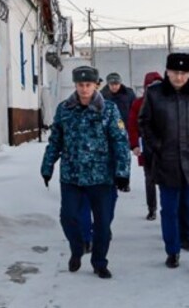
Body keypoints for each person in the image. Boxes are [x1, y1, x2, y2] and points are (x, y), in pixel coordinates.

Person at [41, 66, 131, 279]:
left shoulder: (108, 109)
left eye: (88, 85)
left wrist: (122, 172)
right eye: (80, 85)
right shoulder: (65, 109)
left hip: (101, 176)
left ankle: (100, 262)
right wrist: (47, 166)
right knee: (68, 216)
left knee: (102, 223)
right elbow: (55, 140)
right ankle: (77, 247)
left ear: (96, 85)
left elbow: (119, 140)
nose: (84, 89)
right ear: (75, 85)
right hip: (72, 175)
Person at [139, 53, 189, 270]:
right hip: (167, 161)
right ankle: (172, 251)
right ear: (168, 72)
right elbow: (145, 122)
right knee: (169, 210)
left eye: (184, 73)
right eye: (175, 73)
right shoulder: (155, 93)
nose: (179, 77)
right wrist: (157, 146)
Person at [128, 71, 163, 220]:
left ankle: (168, 209)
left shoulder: (169, 102)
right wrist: (135, 144)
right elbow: (132, 126)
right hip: (147, 146)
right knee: (149, 179)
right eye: (151, 86)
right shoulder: (138, 104)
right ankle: (152, 208)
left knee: (167, 180)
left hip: (166, 148)